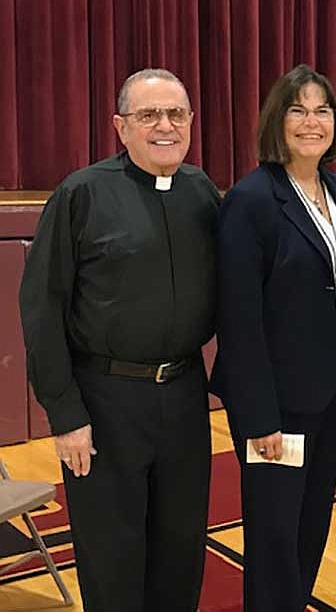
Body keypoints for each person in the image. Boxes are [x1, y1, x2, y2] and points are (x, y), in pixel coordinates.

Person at [18, 68, 220, 611]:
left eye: (176, 114)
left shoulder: (202, 192)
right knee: (111, 555)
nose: (165, 126)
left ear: (191, 123)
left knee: (181, 548)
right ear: (120, 126)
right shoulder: (81, 193)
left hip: (182, 394)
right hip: (104, 401)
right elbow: (43, 307)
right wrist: (65, 416)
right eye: (148, 114)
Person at [212, 64, 336, 612]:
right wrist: (260, 418)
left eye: (323, 109)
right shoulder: (252, 199)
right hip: (278, 400)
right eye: (298, 109)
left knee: (311, 523)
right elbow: (238, 320)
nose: (312, 121)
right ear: (276, 121)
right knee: (275, 535)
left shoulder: (333, 188)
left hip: (331, 388)